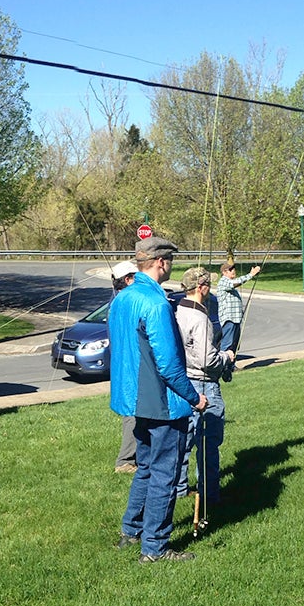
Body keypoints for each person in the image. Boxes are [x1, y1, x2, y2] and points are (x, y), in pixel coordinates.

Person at [110, 237, 206, 563]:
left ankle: (130, 529)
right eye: (170, 263)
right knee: (164, 472)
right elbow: (168, 364)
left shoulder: (122, 298)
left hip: (134, 400)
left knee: (146, 467)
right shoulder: (157, 304)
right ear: (161, 263)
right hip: (162, 403)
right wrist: (194, 398)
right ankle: (155, 548)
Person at [175, 267, 232, 510]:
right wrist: (226, 357)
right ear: (201, 288)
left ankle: (178, 489)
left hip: (183, 383)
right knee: (209, 442)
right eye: (209, 285)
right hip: (205, 385)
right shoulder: (201, 319)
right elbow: (208, 360)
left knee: (184, 440)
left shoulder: (178, 311)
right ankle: (209, 495)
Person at [110, 261, 141, 474]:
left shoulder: (117, 302)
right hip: (129, 365)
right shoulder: (125, 303)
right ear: (128, 280)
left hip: (124, 364)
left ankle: (134, 457)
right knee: (132, 413)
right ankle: (125, 461)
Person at [212, 261, 263, 359]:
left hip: (236, 320)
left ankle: (230, 366)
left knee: (234, 345)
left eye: (233, 269)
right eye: (230, 270)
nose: (233, 271)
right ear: (224, 272)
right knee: (227, 344)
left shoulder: (229, 284)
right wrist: (251, 274)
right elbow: (235, 283)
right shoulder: (224, 282)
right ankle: (224, 366)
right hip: (229, 320)